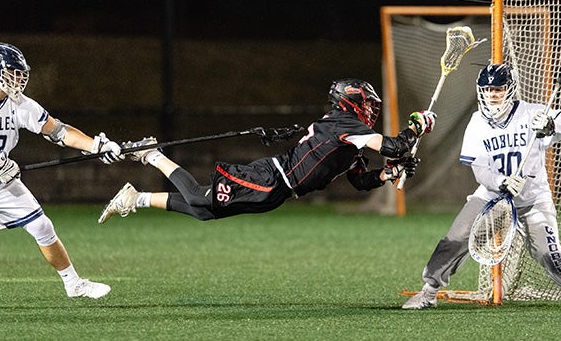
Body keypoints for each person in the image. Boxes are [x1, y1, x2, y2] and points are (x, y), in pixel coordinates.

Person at [98, 78, 436, 223]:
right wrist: (418, 123)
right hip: (272, 177)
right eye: (366, 104)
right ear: (350, 103)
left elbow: (360, 180)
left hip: (279, 193)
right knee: (202, 198)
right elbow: (396, 145)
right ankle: (152, 153)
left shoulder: (352, 136)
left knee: (205, 212)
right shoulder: (345, 126)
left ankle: (136, 198)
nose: (371, 110)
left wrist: (389, 173)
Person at [0, 42, 124, 299]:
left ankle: (74, 284)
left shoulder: (19, 104)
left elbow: (58, 131)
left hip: (0, 182)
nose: (17, 78)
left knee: (42, 226)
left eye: (19, 73)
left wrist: (97, 145)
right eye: (11, 72)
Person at [402, 63, 561, 309]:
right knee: (455, 238)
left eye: (498, 89)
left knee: (549, 255)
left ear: (510, 89)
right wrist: (501, 182)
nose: (492, 95)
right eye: (487, 90)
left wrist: (550, 127)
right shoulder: (477, 122)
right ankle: (428, 292)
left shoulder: (534, 113)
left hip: (533, 201)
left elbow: (557, 124)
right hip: (491, 197)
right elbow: (479, 170)